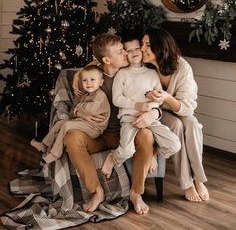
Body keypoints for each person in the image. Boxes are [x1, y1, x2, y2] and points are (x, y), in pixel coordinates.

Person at [63, 33, 161, 215]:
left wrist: (152, 149)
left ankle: (136, 193)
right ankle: (97, 191)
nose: (126, 53)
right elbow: (75, 106)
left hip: (126, 132)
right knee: (72, 137)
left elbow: (153, 103)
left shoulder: (136, 74)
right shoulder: (93, 76)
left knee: (146, 135)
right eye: (120, 51)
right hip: (97, 134)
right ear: (107, 60)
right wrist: (79, 112)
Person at [141, 27, 209, 203]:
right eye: (142, 44)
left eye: (147, 45)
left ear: (161, 47)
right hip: (155, 112)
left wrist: (167, 97)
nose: (142, 49)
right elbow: (102, 60)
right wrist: (83, 70)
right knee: (177, 126)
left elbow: (188, 107)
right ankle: (186, 183)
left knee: (192, 124)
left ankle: (199, 179)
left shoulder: (182, 67)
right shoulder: (142, 65)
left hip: (179, 108)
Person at [102, 36, 181, 178]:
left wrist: (152, 104)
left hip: (150, 120)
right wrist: (137, 105)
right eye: (129, 50)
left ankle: (152, 153)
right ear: (125, 53)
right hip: (129, 120)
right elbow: (117, 99)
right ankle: (113, 157)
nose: (134, 52)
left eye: (137, 48)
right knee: (127, 151)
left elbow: (159, 99)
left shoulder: (151, 74)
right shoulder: (122, 74)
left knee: (175, 144)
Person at [30, 65, 110, 164]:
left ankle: (55, 154)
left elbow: (89, 110)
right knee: (60, 123)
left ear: (101, 82)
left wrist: (79, 111)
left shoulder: (100, 97)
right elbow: (73, 112)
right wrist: (79, 112)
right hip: (83, 123)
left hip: (95, 128)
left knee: (67, 125)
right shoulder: (86, 94)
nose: (88, 83)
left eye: (92, 79)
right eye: (85, 80)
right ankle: (44, 144)